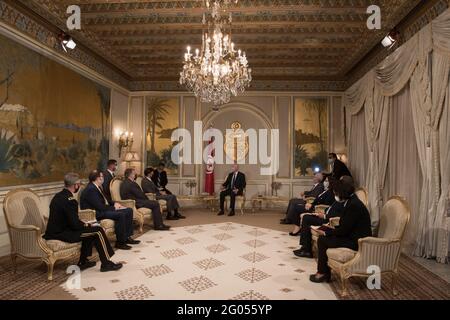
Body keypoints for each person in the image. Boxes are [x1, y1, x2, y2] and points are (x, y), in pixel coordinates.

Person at [43, 173, 122, 272]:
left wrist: (84, 224)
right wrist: (87, 224)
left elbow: (67, 219)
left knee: (91, 231)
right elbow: (75, 225)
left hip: (55, 231)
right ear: (75, 185)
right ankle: (106, 263)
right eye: (79, 184)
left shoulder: (58, 196)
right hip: (62, 233)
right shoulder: (71, 201)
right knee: (98, 230)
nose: (79, 186)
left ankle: (83, 261)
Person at [309, 178, 372, 283]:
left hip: (357, 241)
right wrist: (329, 230)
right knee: (324, 238)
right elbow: (345, 226)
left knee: (323, 240)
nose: (335, 195)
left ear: (342, 192)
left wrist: (326, 232)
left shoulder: (353, 205)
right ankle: (324, 272)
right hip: (351, 235)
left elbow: (344, 230)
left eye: (336, 192)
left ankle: (322, 273)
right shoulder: (351, 201)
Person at [80, 170, 140, 250]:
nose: (103, 178)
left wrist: (115, 203)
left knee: (129, 210)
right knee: (121, 214)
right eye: (102, 176)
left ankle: (127, 237)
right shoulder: (91, 189)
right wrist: (115, 208)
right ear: (97, 178)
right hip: (95, 213)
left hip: (102, 210)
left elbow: (106, 200)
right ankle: (120, 242)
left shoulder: (97, 187)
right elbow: (100, 207)